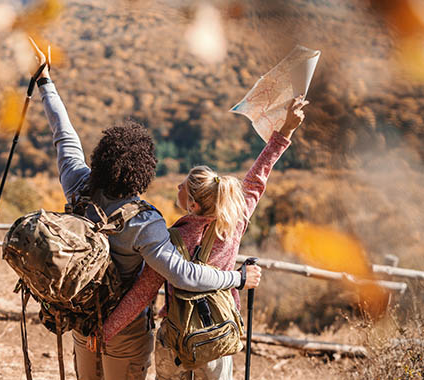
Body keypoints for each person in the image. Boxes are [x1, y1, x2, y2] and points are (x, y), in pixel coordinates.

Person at [31, 44, 256, 379]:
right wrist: (237, 278)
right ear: (144, 172)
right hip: (127, 333)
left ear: (102, 158)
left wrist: (45, 83)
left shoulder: (78, 185)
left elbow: (64, 136)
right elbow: (183, 274)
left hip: (82, 319)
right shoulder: (145, 221)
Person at [101, 97, 308, 380]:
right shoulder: (233, 221)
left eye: (183, 186)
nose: (177, 186)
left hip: (176, 340)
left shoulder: (170, 238)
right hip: (218, 337)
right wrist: (286, 130)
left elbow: (142, 293)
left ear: (193, 205)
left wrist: (106, 332)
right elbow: (258, 177)